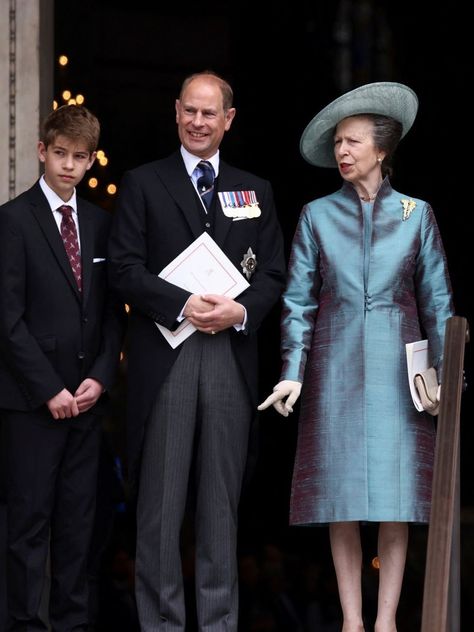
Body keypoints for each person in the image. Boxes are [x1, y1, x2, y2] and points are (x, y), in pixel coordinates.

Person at [258, 82, 454, 632]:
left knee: (396, 497)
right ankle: (351, 620)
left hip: (401, 367)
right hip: (335, 361)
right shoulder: (317, 215)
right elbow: (297, 300)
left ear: (381, 149)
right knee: (339, 494)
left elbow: (438, 301)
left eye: (352, 142)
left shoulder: (418, 213)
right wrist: (292, 371)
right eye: (338, 143)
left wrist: (442, 373)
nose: (341, 152)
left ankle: (387, 620)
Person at [107, 70, 286, 631]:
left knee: (220, 506)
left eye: (210, 114)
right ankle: (160, 624)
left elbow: (275, 273)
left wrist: (242, 311)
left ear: (228, 120)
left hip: (230, 355)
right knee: (159, 508)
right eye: (190, 111)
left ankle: (218, 623)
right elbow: (124, 270)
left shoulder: (254, 190)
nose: (198, 122)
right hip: (169, 355)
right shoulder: (142, 182)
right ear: (176, 111)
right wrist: (183, 303)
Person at [0, 104, 125, 631]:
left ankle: (72, 627)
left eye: (80, 157)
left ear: (90, 159)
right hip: (31, 405)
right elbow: (6, 319)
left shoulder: (99, 223)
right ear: (41, 152)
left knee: (79, 527)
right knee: (29, 527)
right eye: (60, 155)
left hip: (87, 406)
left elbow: (112, 313)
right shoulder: (12, 220)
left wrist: (101, 375)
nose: (70, 166)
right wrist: (49, 388)